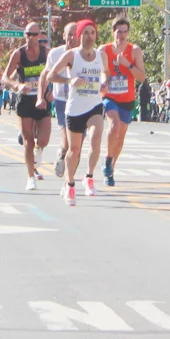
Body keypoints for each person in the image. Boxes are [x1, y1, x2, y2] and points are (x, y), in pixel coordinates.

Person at [46, 20, 105, 205]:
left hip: (95, 104)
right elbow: (50, 75)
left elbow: (106, 73)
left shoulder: (101, 56)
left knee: (96, 139)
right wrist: (69, 81)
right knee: (74, 150)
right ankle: (70, 184)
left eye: (92, 32)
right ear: (80, 36)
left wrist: (104, 83)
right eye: (86, 33)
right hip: (75, 107)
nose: (89, 36)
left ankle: (88, 177)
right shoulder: (71, 55)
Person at [3, 22, 52, 190]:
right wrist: (17, 86)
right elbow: (4, 77)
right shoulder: (19, 54)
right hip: (25, 99)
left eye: (34, 34)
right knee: (28, 141)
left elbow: (57, 73)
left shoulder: (47, 54)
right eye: (27, 34)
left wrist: (54, 91)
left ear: (40, 36)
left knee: (44, 139)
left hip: (43, 99)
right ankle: (30, 177)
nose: (30, 38)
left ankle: (38, 154)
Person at [100, 18, 145, 187]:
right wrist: (104, 81)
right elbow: (101, 71)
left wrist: (128, 64)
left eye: (125, 31)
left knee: (121, 135)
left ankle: (111, 168)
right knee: (114, 125)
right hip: (110, 96)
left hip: (128, 98)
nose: (122, 35)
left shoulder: (134, 51)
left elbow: (141, 77)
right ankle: (107, 159)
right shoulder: (104, 50)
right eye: (119, 31)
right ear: (113, 32)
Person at [43, 22, 79, 178]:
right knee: (66, 139)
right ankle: (62, 153)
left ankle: (70, 179)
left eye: (75, 34)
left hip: (81, 101)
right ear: (64, 36)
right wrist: (44, 94)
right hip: (62, 100)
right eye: (69, 34)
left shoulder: (87, 54)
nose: (72, 38)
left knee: (77, 145)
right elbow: (47, 75)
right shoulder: (55, 54)